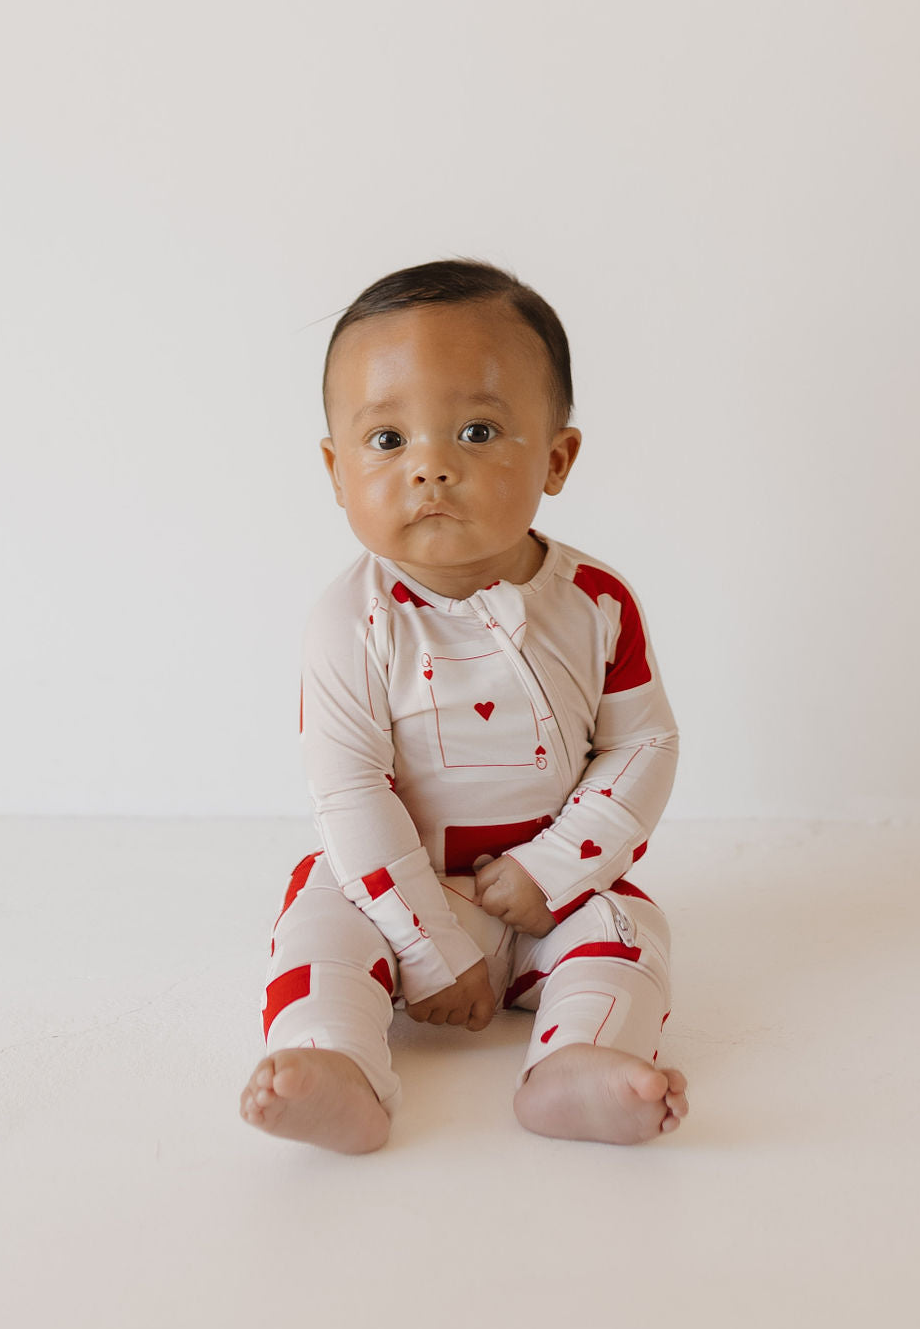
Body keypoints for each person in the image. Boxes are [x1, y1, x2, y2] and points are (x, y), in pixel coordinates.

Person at [239, 259, 688, 1152]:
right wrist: (429, 948)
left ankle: (577, 1064)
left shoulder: (595, 603)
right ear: (335, 470)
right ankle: (332, 1065)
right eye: (387, 440)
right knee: (315, 916)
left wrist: (555, 871)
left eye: (477, 431)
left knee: (630, 929)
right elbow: (351, 796)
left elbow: (644, 745)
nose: (431, 468)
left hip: (545, 900)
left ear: (556, 458)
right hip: (390, 894)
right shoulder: (348, 623)